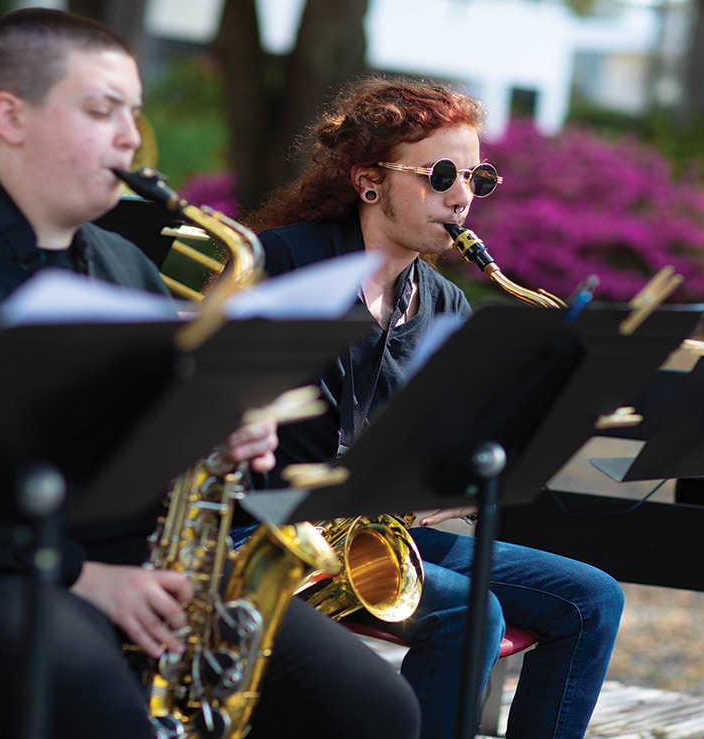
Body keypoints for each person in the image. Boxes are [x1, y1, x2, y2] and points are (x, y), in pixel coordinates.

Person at [0, 9, 419, 739]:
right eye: (101, 110)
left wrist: (221, 427)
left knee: (374, 706)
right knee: (98, 703)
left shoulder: (122, 263)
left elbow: (139, 440)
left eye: (134, 113)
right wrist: (84, 577)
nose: (129, 136)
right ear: (10, 116)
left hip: (95, 551)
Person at [242, 77, 625, 739]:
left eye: (478, 177)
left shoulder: (445, 302)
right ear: (369, 181)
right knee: (471, 612)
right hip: (271, 531)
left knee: (594, 598)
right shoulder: (281, 264)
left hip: (380, 530)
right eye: (442, 173)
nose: (462, 195)